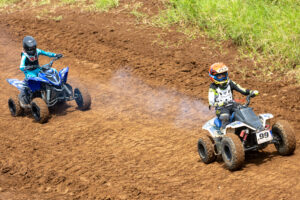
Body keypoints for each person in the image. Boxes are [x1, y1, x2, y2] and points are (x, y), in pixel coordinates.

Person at [208, 62, 259, 132]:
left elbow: (242, 89)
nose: (222, 77)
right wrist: (216, 104)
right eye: (219, 76)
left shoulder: (230, 83)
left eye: (223, 75)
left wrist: (250, 92)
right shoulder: (213, 87)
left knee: (244, 110)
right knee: (225, 116)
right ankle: (224, 131)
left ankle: (253, 127)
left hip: (232, 104)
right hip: (221, 108)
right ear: (214, 77)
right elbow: (211, 101)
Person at [19, 36, 63, 106]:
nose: (33, 49)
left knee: (51, 72)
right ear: (26, 48)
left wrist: (55, 55)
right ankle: (32, 96)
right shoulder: (24, 55)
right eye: (31, 48)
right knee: (34, 82)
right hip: (29, 72)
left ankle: (55, 90)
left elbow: (46, 53)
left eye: (34, 47)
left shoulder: (38, 51)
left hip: (38, 69)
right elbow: (21, 66)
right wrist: (26, 67)